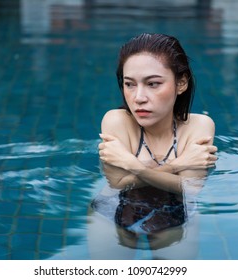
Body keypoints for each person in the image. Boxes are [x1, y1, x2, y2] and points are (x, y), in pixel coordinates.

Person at [89, 33, 217, 258]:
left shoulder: (199, 126)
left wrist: (134, 166)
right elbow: (117, 183)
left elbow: (190, 188)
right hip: (113, 211)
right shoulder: (116, 121)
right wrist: (178, 164)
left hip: (175, 213)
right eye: (129, 84)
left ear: (181, 83)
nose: (138, 97)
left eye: (153, 84)